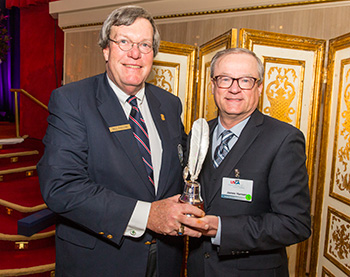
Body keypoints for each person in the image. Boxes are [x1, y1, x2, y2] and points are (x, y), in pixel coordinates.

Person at [37, 5, 206, 277]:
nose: (135, 54)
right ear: (106, 50)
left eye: (144, 45)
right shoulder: (71, 101)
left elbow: (181, 170)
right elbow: (61, 187)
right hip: (102, 261)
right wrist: (147, 215)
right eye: (124, 42)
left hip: (165, 258)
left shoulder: (169, 104)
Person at [186, 48, 311, 276]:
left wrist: (221, 229)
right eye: (225, 79)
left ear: (259, 87)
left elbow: (296, 224)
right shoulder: (199, 133)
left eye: (245, 80)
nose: (234, 88)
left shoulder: (283, 139)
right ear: (213, 85)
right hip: (199, 269)